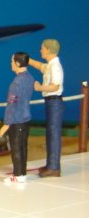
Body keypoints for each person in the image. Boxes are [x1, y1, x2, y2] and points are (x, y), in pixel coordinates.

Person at [29, 39, 64, 177]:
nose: (40, 50)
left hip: (54, 102)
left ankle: (54, 168)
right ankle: (51, 164)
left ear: (48, 50)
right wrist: (28, 60)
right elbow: (40, 66)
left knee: (54, 135)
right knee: (50, 134)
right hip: (51, 102)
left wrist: (40, 88)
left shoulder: (55, 67)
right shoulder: (50, 65)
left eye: (42, 48)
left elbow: (55, 86)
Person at [0, 52, 35, 184]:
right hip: (26, 118)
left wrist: (6, 123)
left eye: (12, 61)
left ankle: (18, 174)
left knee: (16, 148)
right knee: (23, 147)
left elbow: (11, 104)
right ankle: (22, 172)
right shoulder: (30, 78)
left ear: (18, 63)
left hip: (17, 119)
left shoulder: (16, 83)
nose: (11, 64)